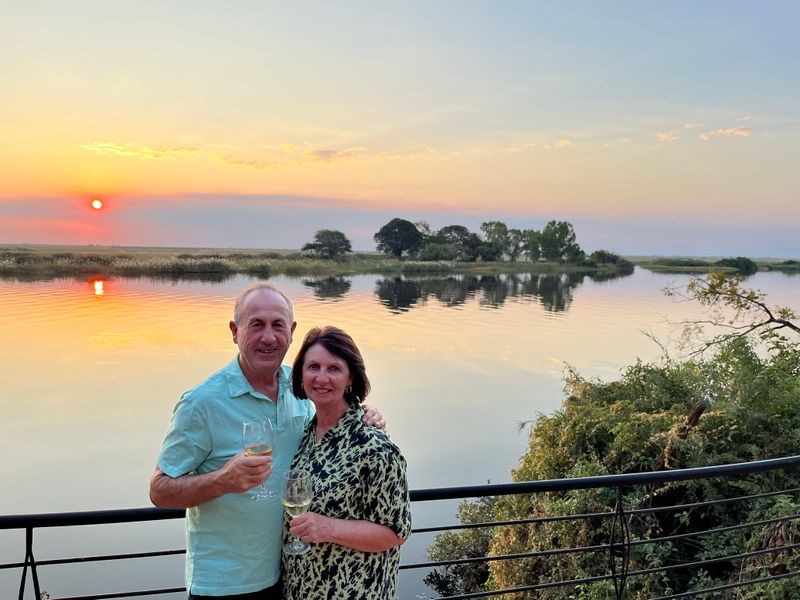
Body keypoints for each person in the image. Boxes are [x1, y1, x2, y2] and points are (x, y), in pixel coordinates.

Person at [149, 284, 386, 599]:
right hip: (225, 585)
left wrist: (365, 413)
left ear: (291, 331)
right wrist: (223, 480)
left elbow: (333, 417)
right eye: (256, 324)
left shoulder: (301, 388)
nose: (268, 337)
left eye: (278, 325)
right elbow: (159, 490)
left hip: (290, 573)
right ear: (235, 331)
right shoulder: (202, 403)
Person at [282, 326, 411, 599]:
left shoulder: (374, 447)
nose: (321, 377)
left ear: (350, 376)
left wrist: (327, 528)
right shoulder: (308, 433)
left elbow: (396, 532)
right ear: (301, 375)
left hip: (352, 591)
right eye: (313, 367)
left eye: (334, 369)